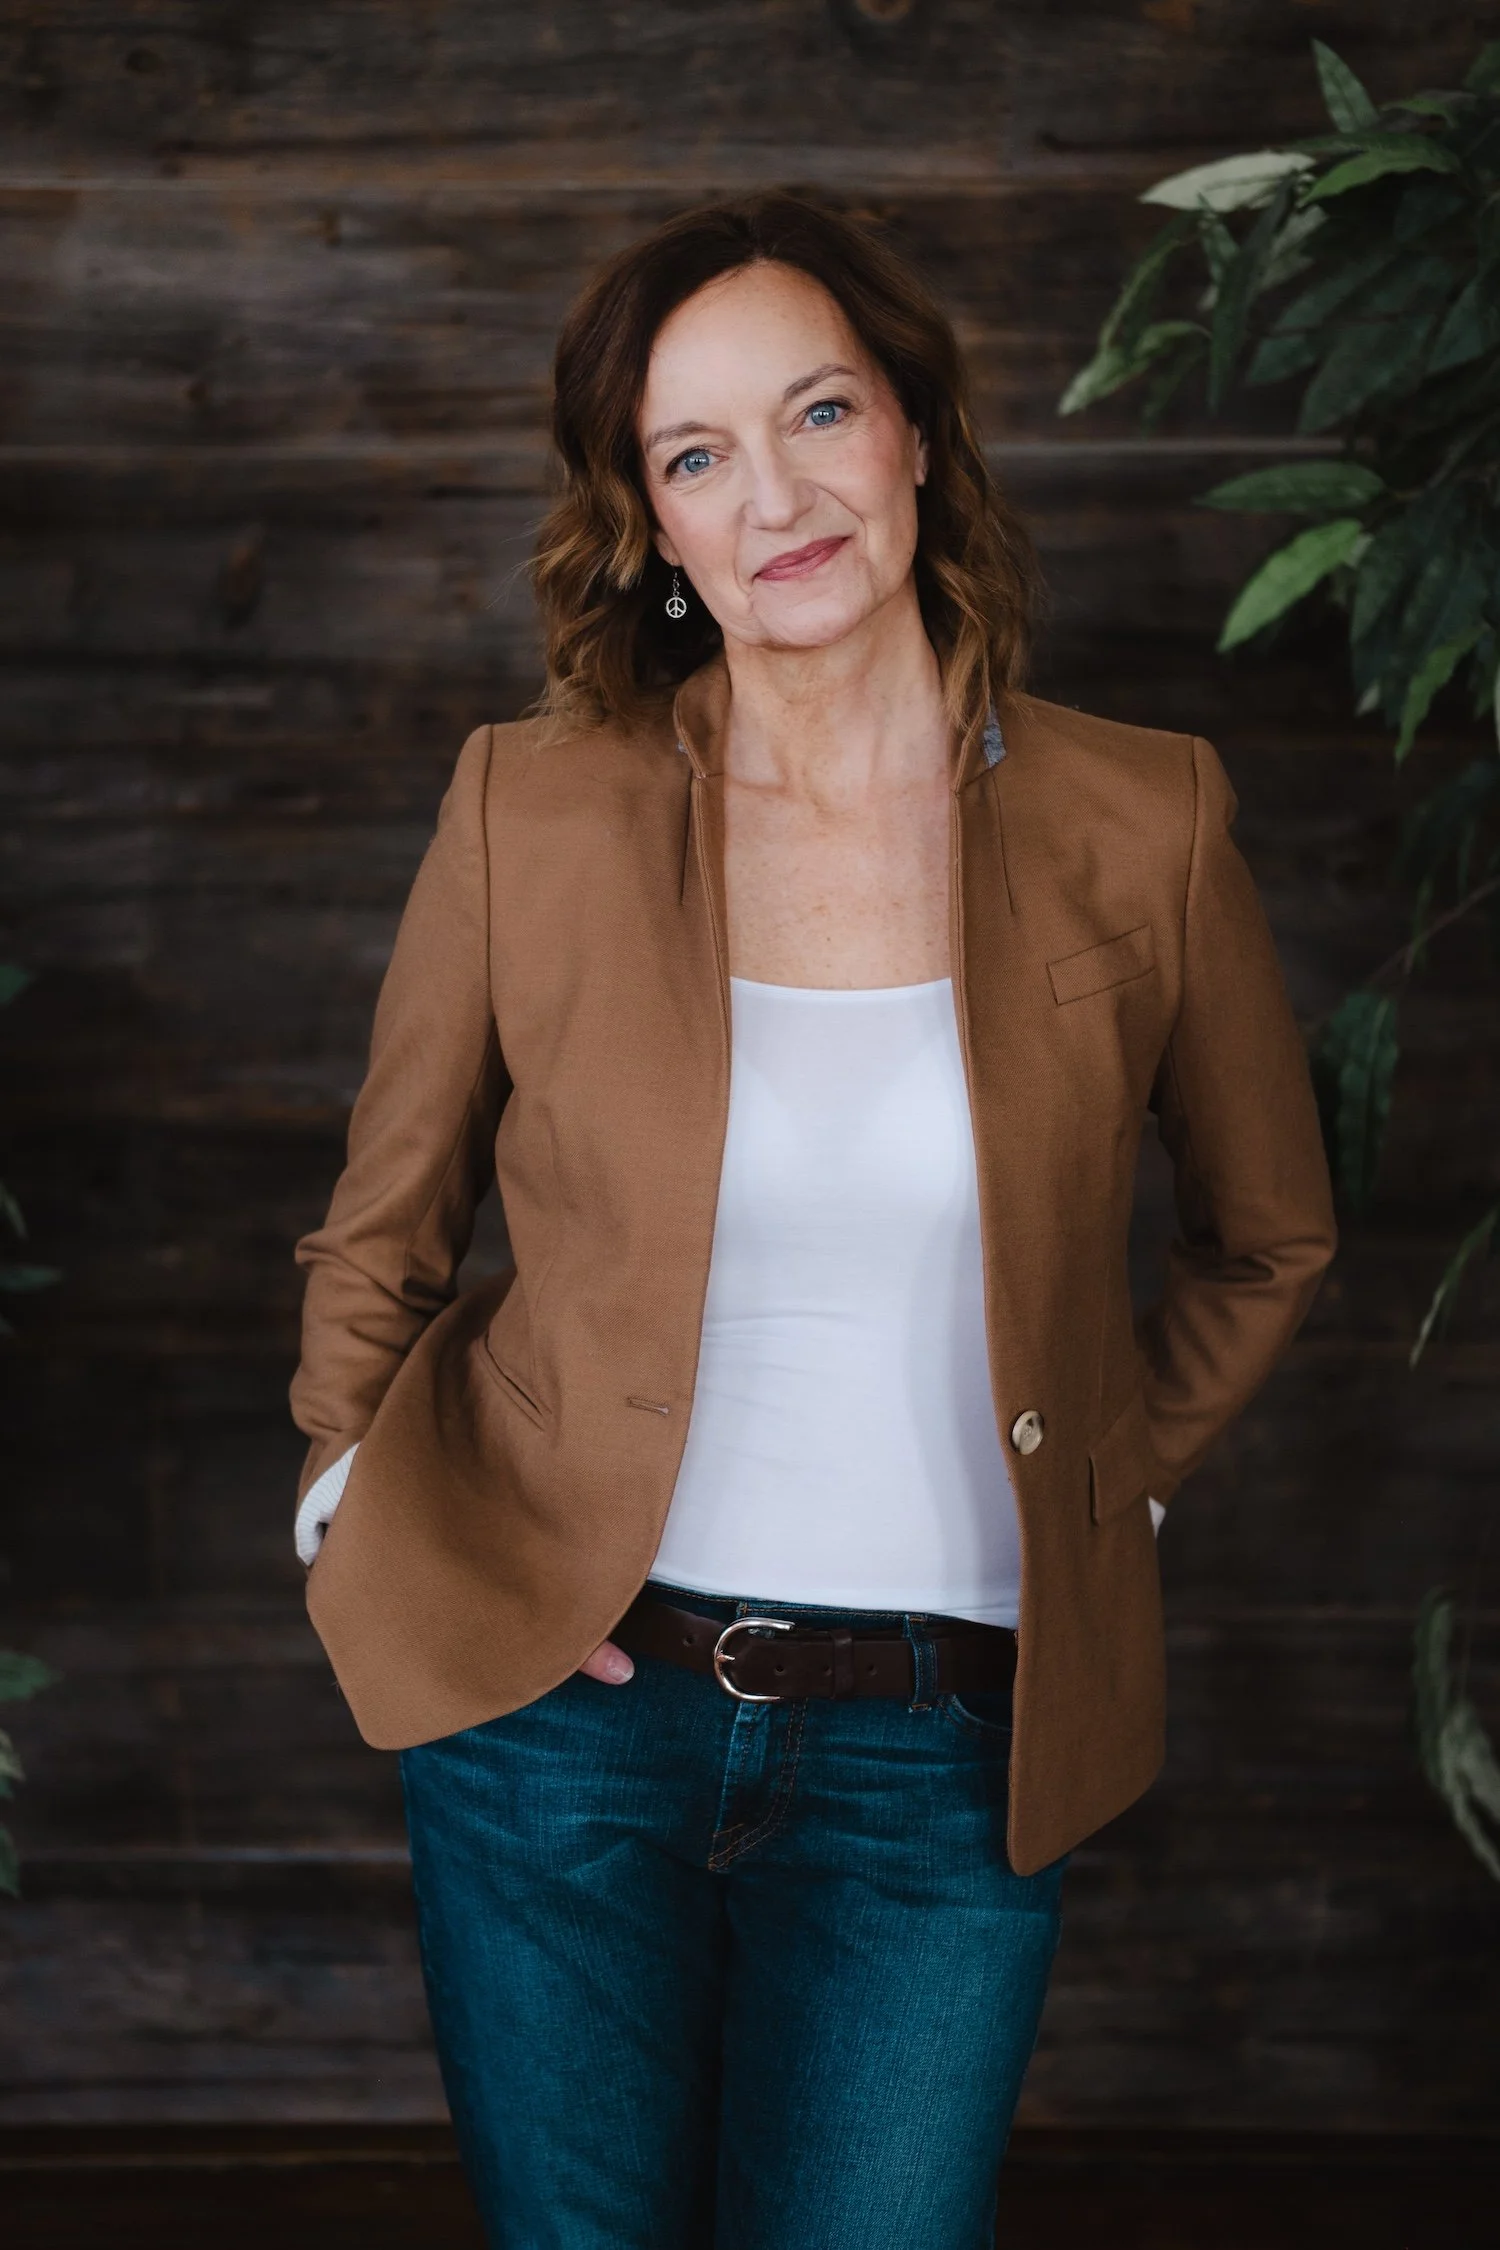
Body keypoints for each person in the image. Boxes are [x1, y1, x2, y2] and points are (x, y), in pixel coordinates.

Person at [287, 192, 1336, 2250]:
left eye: (819, 412)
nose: (774, 496)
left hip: (948, 1746)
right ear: (653, 529)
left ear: (916, 432)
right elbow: (382, 1223)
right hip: (559, 1723)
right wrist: (349, 1493)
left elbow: (1266, 1233)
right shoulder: (530, 809)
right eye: (697, 455)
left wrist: (1108, 1474)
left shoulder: (1146, 818)